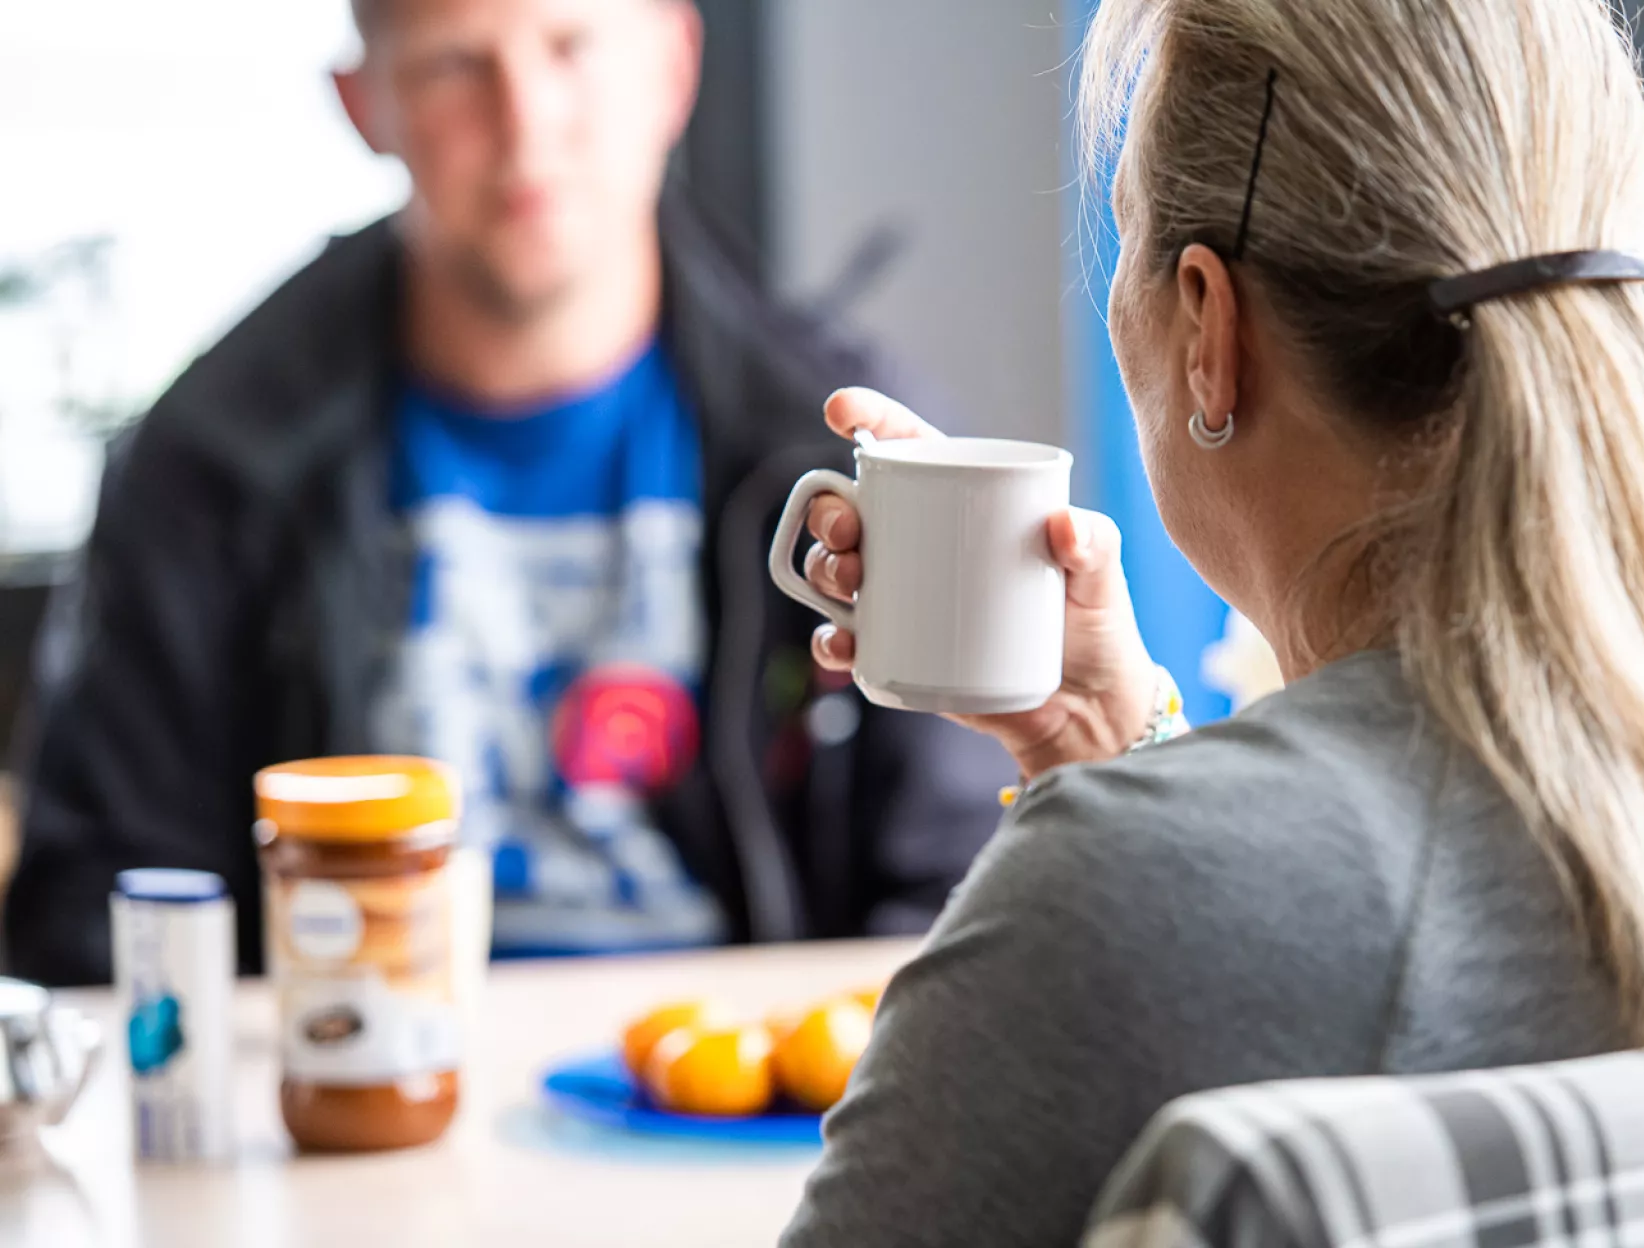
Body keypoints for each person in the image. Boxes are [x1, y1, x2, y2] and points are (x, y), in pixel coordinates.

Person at [780, 0, 1644, 1243]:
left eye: (1125, 238)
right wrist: (1114, 751)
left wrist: (1132, 836)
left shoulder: (1122, 902)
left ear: (1209, 329)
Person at [5, 0, 1006, 986]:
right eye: (454, 64)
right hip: (348, 1071)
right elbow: (99, 911)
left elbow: (969, 884)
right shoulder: (208, 463)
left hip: (742, 1079)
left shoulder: (854, 447)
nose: (526, 122)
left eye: (572, 45)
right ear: (364, 105)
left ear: (673, 68)